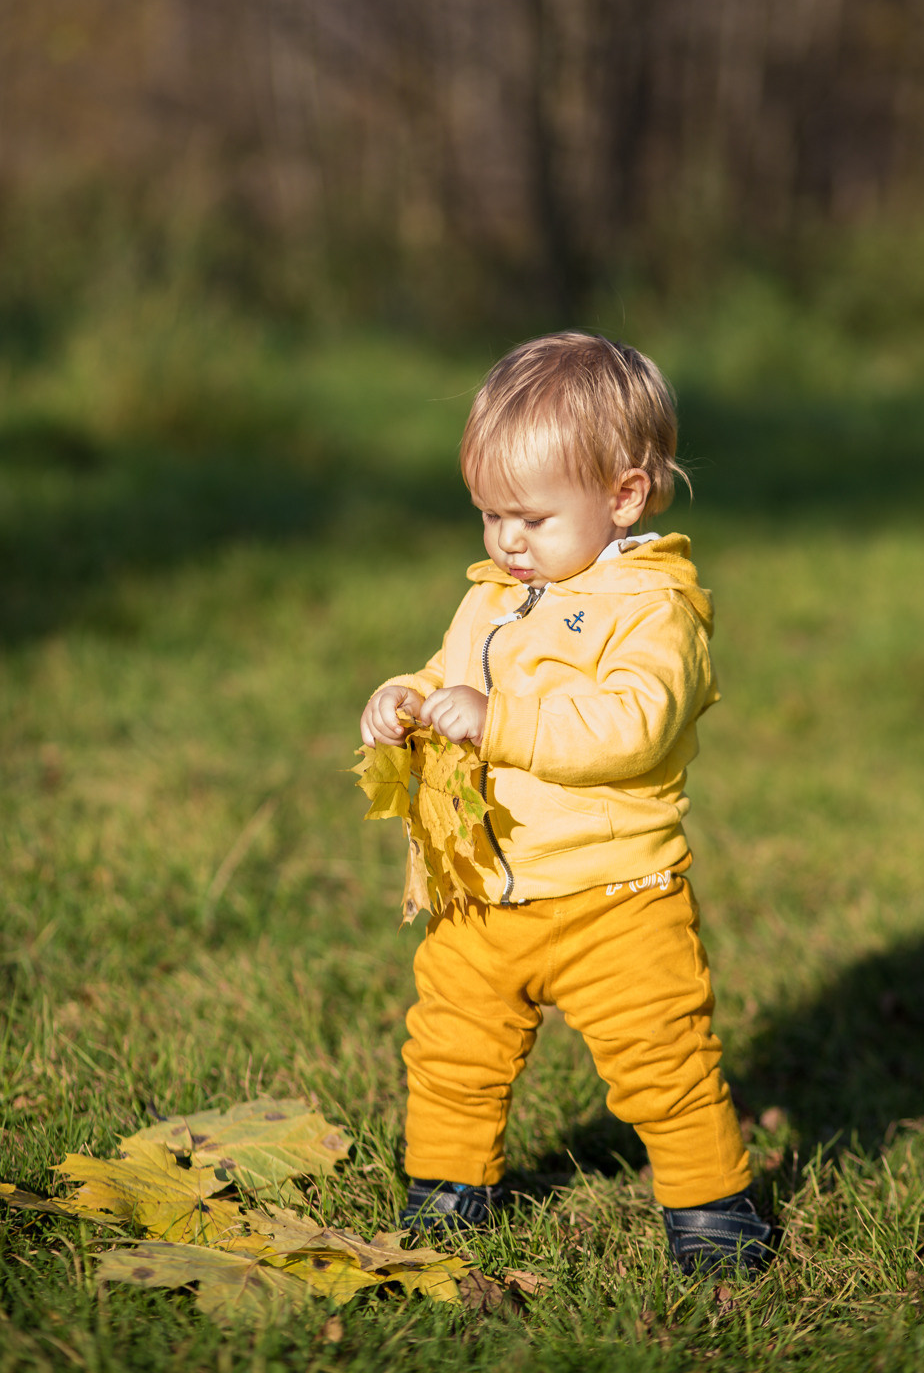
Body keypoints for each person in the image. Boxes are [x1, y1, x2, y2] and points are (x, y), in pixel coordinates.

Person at [359, 332, 773, 1279]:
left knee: (662, 1060)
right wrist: (405, 696)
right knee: (452, 1049)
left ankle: (711, 1208)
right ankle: (446, 1189)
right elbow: (450, 675)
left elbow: (630, 726)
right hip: (482, 891)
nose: (507, 540)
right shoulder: (495, 597)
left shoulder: (651, 609)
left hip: (613, 897)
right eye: (488, 514)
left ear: (623, 496)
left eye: (532, 517)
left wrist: (498, 722)